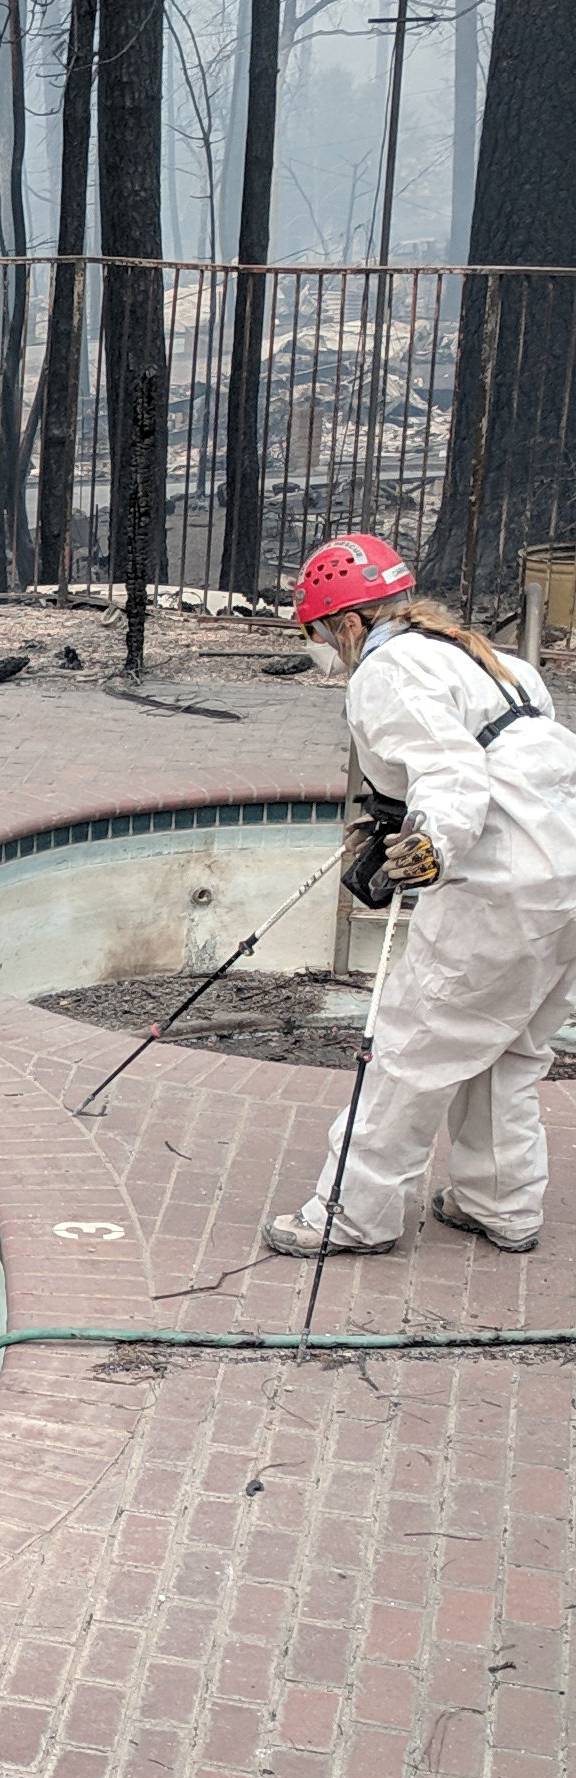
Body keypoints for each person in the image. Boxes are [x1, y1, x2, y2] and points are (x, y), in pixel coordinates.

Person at [263, 532, 576, 1260]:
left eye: (317, 636)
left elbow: (450, 771)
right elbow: (506, 758)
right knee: (511, 1050)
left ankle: (353, 1213)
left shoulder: (387, 671)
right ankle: (500, 1201)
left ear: (345, 622)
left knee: (409, 1048)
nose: (323, 654)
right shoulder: (484, 655)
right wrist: (400, 816)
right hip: (563, 869)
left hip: (503, 880)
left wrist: (428, 843)